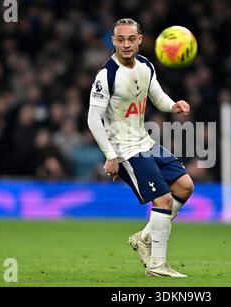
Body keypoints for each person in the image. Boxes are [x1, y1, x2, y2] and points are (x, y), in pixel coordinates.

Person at [87, 18, 194, 277]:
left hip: (144, 141)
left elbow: (156, 96)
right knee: (164, 199)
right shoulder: (107, 75)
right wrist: (110, 156)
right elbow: (93, 119)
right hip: (124, 149)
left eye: (131, 39)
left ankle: (143, 238)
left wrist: (173, 105)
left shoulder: (145, 65)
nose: (126, 44)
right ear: (113, 41)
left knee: (185, 186)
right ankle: (157, 265)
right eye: (120, 39)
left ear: (140, 40)